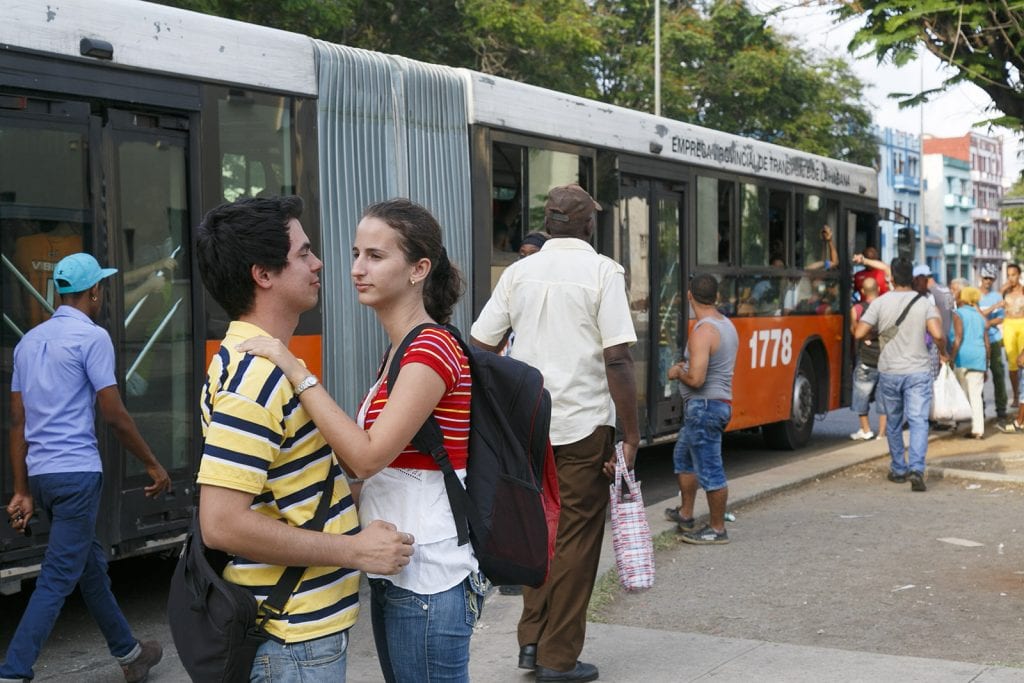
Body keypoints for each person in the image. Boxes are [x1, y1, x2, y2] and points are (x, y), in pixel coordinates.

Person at [236, 198, 483, 682]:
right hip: (400, 568)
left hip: (429, 577)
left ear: (419, 270)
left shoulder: (430, 347)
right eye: (355, 254)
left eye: (375, 256)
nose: (356, 269)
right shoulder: (400, 349)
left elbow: (368, 457)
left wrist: (295, 369)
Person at [192, 196, 416, 683]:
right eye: (302, 253)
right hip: (291, 642)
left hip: (300, 636)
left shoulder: (258, 363)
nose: (318, 263)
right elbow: (221, 524)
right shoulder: (256, 378)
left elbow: (285, 484)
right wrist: (355, 551)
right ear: (263, 274)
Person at [469, 183, 640, 683]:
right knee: (577, 539)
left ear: (548, 224)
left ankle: (529, 643)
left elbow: (480, 346)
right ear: (588, 224)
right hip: (584, 425)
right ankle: (558, 658)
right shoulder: (603, 272)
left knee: (536, 530)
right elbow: (618, 357)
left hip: (527, 427)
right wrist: (630, 436)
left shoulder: (520, 273)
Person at [1, 253, 171, 683]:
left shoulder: (28, 342)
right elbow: (114, 415)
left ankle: (131, 655)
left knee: (90, 568)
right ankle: (14, 671)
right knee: (57, 578)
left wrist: (21, 489)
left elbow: (18, 422)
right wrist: (153, 464)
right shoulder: (92, 338)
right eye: (101, 288)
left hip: (42, 476)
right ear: (94, 291)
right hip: (77, 474)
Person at [855, 258, 948, 492]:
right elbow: (937, 333)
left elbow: (859, 333)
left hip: (889, 371)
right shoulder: (924, 302)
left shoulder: (879, 302)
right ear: (914, 278)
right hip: (918, 371)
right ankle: (916, 469)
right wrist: (943, 352)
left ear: (892, 278)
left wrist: (877, 331)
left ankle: (898, 469)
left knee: (894, 422)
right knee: (918, 421)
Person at [662, 274, 738, 545]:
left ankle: (717, 529)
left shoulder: (703, 331)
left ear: (690, 296)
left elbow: (697, 379)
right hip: (714, 405)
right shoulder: (726, 324)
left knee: (710, 468)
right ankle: (686, 513)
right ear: (716, 297)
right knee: (683, 457)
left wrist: (676, 372)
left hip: (704, 407)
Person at [849, 277, 887, 440]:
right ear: (878, 289)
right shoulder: (886, 307)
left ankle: (865, 430)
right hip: (885, 359)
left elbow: (854, 331)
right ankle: (882, 433)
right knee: (883, 397)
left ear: (862, 292)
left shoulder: (857, 309)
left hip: (865, 358)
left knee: (861, 394)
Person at [949, 286, 989, 439]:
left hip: (963, 357)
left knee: (960, 393)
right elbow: (987, 343)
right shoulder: (980, 317)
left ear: (963, 298)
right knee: (976, 396)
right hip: (979, 357)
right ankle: (978, 430)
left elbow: (958, 338)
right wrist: (987, 364)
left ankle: (956, 424)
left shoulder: (958, 313)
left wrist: (951, 358)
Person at [978, 264, 1010, 429]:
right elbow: (975, 315)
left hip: (994, 339)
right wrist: (992, 310)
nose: (988, 281)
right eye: (985, 278)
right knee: (978, 376)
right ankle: (979, 410)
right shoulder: (974, 296)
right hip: (978, 341)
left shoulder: (997, 296)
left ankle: (1001, 410)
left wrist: (988, 322)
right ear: (980, 278)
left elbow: (1000, 318)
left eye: (990, 279)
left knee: (998, 373)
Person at [1001, 264, 1024, 408]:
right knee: (1012, 363)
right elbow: (996, 303)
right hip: (1008, 324)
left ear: (1019, 275)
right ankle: (1016, 396)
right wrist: (1002, 290)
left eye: (1014, 274)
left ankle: (1022, 397)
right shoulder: (1004, 291)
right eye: (1009, 275)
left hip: (1022, 324)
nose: (1011, 278)